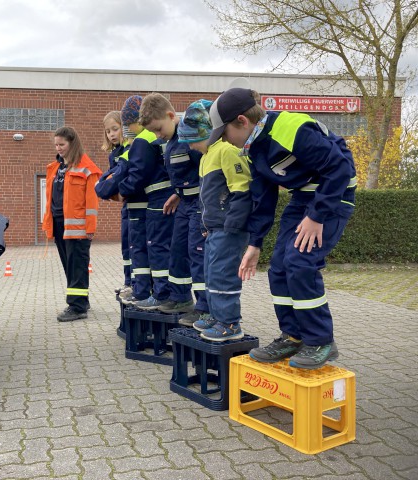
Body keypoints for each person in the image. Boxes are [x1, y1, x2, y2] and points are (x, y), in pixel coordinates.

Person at [209, 87, 356, 369]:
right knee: (278, 266)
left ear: (242, 121)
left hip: (333, 197)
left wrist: (317, 216)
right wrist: (255, 244)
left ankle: (321, 341)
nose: (226, 141)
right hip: (304, 198)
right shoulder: (253, 147)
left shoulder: (290, 128)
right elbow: (263, 198)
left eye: (225, 134)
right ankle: (293, 337)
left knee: (300, 262)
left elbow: (339, 168)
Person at [177, 99, 252, 341]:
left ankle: (229, 323)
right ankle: (215, 315)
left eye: (193, 142)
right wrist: (204, 225)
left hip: (229, 229)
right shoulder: (207, 156)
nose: (192, 148)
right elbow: (205, 199)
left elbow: (241, 189)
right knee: (210, 272)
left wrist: (233, 223)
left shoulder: (227, 150)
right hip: (214, 229)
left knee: (223, 274)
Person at [139, 93, 210, 325]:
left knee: (196, 252)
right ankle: (179, 297)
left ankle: (204, 306)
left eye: (159, 129)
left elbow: (204, 173)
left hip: (199, 205)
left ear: (171, 116)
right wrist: (176, 195)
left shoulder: (189, 140)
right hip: (183, 204)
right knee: (177, 249)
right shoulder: (168, 143)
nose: (158, 135)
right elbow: (182, 177)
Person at [117, 96, 174, 310]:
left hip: (158, 201)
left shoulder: (143, 140)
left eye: (126, 125)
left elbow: (138, 173)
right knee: (158, 248)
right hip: (166, 199)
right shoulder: (156, 137)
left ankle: (161, 294)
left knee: (156, 248)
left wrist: (120, 191)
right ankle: (161, 293)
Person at [43, 126, 102, 322]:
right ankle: (81, 300)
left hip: (78, 227)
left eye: (62, 144)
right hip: (60, 223)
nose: (58, 148)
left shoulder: (87, 168)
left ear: (72, 143)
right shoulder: (56, 167)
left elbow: (92, 202)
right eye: (56, 144)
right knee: (69, 265)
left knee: (77, 266)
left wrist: (90, 227)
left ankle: (77, 307)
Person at [95, 111, 131, 297]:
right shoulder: (113, 154)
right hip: (125, 207)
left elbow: (118, 176)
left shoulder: (128, 149)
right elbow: (109, 178)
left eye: (115, 129)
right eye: (108, 131)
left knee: (134, 246)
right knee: (126, 245)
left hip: (134, 204)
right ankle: (128, 281)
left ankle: (135, 283)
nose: (111, 134)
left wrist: (104, 188)